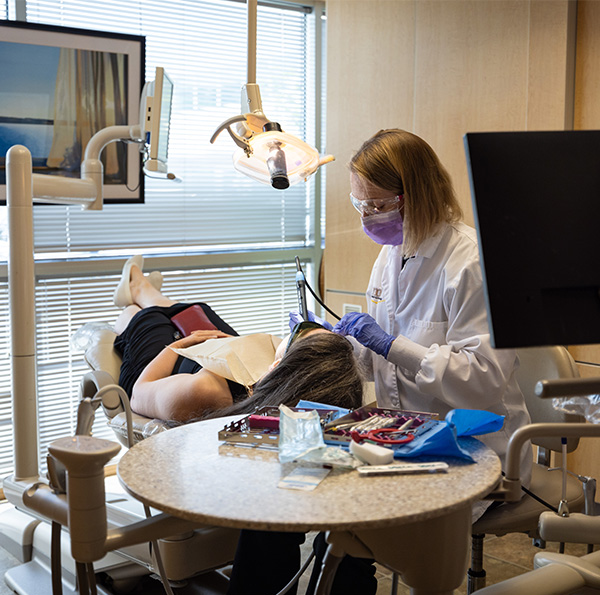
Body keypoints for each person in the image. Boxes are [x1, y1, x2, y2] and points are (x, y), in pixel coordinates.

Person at [308, 128, 532, 509]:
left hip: (474, 446)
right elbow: (375, 366)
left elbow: (482, 380)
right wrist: (341, 343)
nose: (367, 216)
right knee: (326, 493)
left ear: (414, 195)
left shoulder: (473, 262)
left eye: (377, 205)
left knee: (356, 516)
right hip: (408, 437)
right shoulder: (391, 256)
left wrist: (391, 345)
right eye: (360, 204)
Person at [111, 256, 364, 423]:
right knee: (197, 310)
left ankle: (137, 295)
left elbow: (139, 393)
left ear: (277, 367)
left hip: (159, 372)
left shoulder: (207, 391)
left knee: (142, 317)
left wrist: (178, 346)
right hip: (213, 355)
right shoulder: (299, 390)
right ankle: (150, 293)